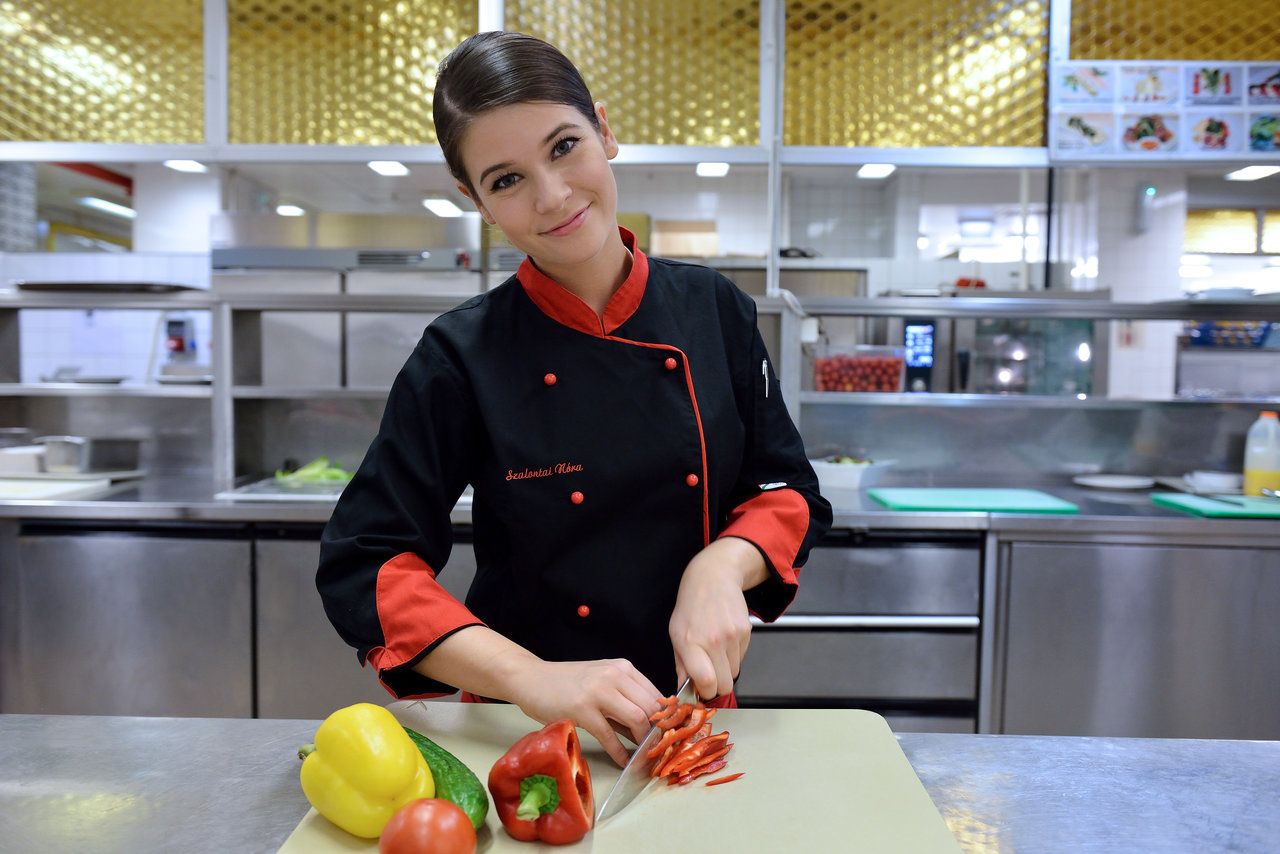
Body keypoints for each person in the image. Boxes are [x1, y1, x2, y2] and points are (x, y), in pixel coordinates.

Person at [317, 31, 832, 767]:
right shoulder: (461, 355)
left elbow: (785, 492)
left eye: (564, 147)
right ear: (475, 201)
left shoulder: (713, 311)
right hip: (521, 734)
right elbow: (367, 561)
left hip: (690, 717)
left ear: (605, 131)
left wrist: (722, 565)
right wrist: (528, 677)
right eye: (506, 180)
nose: (552, 196)